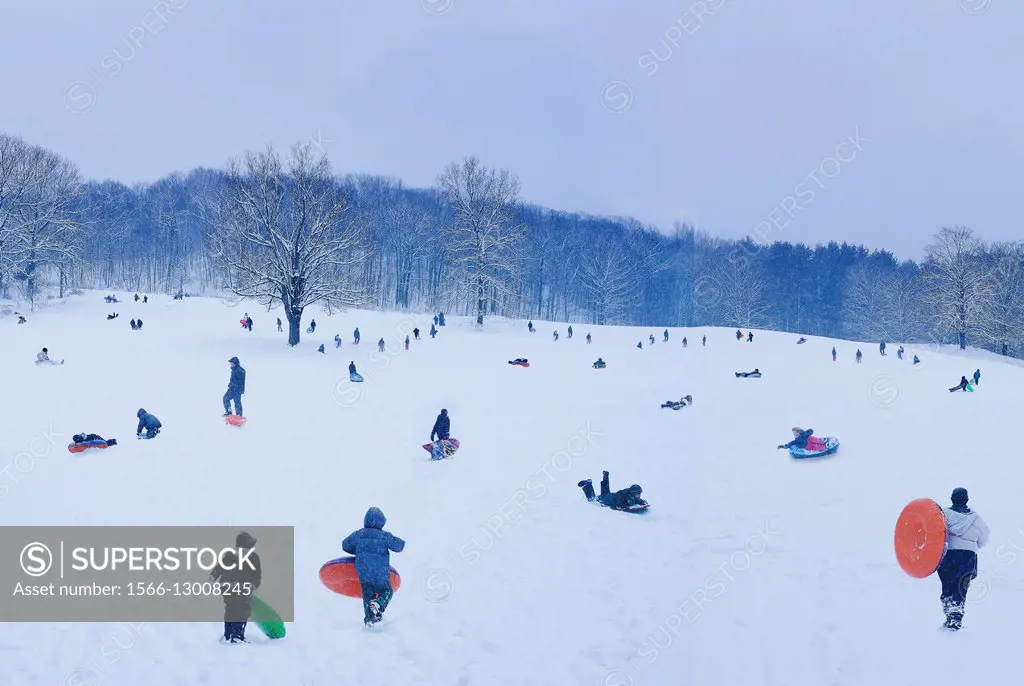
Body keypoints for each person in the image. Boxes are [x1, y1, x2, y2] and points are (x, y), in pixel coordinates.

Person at [342, 507, 406, 626]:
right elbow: (399, 546)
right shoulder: (384, 536)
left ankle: (370, 620)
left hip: (363, 569)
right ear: (381, 522)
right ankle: (378, 604)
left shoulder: (359, 534)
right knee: (386, 591)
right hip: (379, 569)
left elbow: (345, 545)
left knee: (368, 594)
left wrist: (359, 551)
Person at [937, 488, 989, 630]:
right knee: (961, 587)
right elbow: (984, 538)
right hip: (967, 556)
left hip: (948, 555)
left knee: (947, 586)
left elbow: (933, 534)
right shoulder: (975, 518)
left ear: (952, 498)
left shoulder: (943, 515)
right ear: (966, 499)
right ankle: (956, 617)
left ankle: (949, 615)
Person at [210, 531, 261, 643]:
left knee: (242, 610)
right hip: (229, 588)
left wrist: (254, 586)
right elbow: (218, 568)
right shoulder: (229, 558)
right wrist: (213, 577)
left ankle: (236, 634)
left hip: (244, 589)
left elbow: (257, 575)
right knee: (233, 609)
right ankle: (231, 635)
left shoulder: (254, 558)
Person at [577, 471, 648, 512]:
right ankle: (587, 485)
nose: (639, 495)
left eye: (640, 493)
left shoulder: (631, 495)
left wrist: (643, 503)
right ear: (633, 494)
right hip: (606, 500)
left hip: (610, 495)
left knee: (605, 491)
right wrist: (628, 508)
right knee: (592, 500)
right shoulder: (622, 497)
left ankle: (605, 476)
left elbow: (638, 500)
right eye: (638, 494)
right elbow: (619, 507)